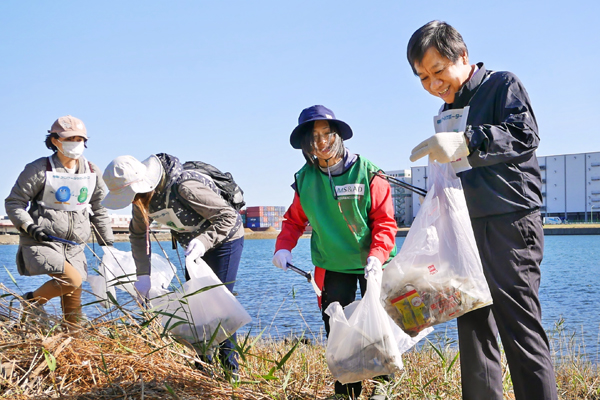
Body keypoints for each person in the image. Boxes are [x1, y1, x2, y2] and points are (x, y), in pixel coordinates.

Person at [406, 21, 558, 400]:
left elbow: (525, 134)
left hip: (509, 224)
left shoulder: (501, 85)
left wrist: (468, 139)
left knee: (520, 330)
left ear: (463, 56)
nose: (434, 85)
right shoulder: (445, 112)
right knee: (474, 331)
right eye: (423, 78)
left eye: (438, 71)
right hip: (463, 230)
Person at [272, 105, 397, 400]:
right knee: (338, 329)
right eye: (313, 137)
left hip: (372, 264)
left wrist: (377, 256)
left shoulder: (368, 172)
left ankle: (382, 385)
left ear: (338, 135)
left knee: (378, 326)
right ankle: (345, 390)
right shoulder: (305, 178)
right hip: (332, 264)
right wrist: (283, 247)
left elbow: (385, 221)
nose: (321, 142)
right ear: (306, 145)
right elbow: (294, 220)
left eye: (327, 134)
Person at [101, 153, 244, 377]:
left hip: (225, 240)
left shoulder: (185, 187)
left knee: (219, 302)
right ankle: (203, 368)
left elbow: (229, 217)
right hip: (193, 249)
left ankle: (230, 370)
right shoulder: (140, 201)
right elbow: (138, 236)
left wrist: (203, 241)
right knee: (195, 304)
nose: (130, 199)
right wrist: (143, 276)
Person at [5, 115, 115, 326]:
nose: (75, 143)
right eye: (69, 138)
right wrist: (29, 227)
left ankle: (73, 343)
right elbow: (14, 203)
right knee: (71, 279)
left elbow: (99, 208)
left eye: (79, 138)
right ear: (54, 140)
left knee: (74, 307)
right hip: (42, 240)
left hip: (75, 246)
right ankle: (30, 302)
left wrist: (107, 243)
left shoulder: (92, 171)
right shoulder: (38, 169)